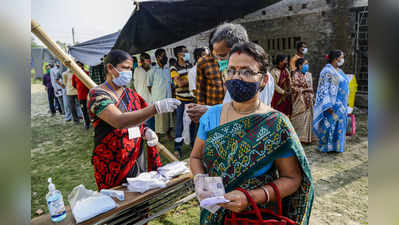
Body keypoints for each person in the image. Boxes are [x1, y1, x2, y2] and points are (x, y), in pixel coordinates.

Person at [189, 42, 313, 225]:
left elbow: (292, 179)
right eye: (231, 70)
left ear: (263, 80)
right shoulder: (211, 115)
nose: (236, 77)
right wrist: (200, 179)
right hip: (214, 212)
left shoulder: (276, 124)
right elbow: (195, 157)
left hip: (255, 215)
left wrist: (251, 197)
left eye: (246, 71)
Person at [87, 49, 181, 190]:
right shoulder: (98, 94)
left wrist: (146, 130)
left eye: (130, 68)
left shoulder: (130, 93)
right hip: (111, 162)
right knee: (120, 202)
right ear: (109, 68)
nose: (129, 72)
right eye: (125, 68)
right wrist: (156, 107)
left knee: (140, 194)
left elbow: (139, 118)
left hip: (136, 156)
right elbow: (119, 121)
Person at [188, 23, 249, 123]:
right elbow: (200, 91)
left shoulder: (248, 75)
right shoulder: (204, 62)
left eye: (223, 55)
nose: (220, 59)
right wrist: (203, 113)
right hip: (214, 109)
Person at [313, 50, 349, 152]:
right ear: (335, 58)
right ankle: (326, 147)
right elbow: (324, 89)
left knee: (339, 125)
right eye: (342, 57)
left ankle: (337, 147)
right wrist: (328, 105)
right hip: (332, 105)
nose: (343, 59)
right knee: (330, 125)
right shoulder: (327, 71)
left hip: (342, 105)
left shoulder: (339, 71)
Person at [171, 45, 196, 158]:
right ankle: (177, 148)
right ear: (178, 54)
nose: (187, 53)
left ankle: (192, 144)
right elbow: (179, 83)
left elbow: (187, 80)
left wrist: (186, 79)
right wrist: (191, 79)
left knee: (191, 123)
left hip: (191, 99)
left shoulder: (190, 65)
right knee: (180, 125)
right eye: (184, 52)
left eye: (187, 51)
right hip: (181, 101)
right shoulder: (174, 68)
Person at [147, 49, 174, 139]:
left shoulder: (167, 69)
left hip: (168, 97)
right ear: (158, 57)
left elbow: (170, 83)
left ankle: (168, 133)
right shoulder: (152, 70)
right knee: (159, 119)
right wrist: (156, 95)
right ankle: (157, 135)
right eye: (164, 55)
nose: (166, 57)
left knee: (169, 118)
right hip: (159, 98)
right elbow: (149, 85)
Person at [291, 58, 315, 143]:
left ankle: (308, 138)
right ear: (300, 65)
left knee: (309, 117)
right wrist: (305, 90)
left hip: (309, 98)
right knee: (299, 117)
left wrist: (311, 94)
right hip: (300, 99)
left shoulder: (309, 74)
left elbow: (311, 86)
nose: (307, 66)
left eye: (307, 63)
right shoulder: (295, 74)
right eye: (305, 64)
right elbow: (293, 87)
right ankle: (299, 138)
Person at [133, 53, 154, 130]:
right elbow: (135, 83)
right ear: (142, 60)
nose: (149, 60)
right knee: (145, 114)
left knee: (152, 113)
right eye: (146, 58)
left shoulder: (152, 68)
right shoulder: (137, 70)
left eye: (149, 58)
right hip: (142, 94)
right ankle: (145, 130)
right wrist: (139, 92)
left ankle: (152, 130)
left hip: (152, 93)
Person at [72, 62, 91, 129]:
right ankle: (87, 123)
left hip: (89, 95)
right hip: (81, 96)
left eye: (80, 65)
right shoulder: (74, 74)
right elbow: (74, 85)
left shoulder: (87, 73)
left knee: (91, 109)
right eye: (77, 66)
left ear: (82, 65)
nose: (79, 67)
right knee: (84, 110)